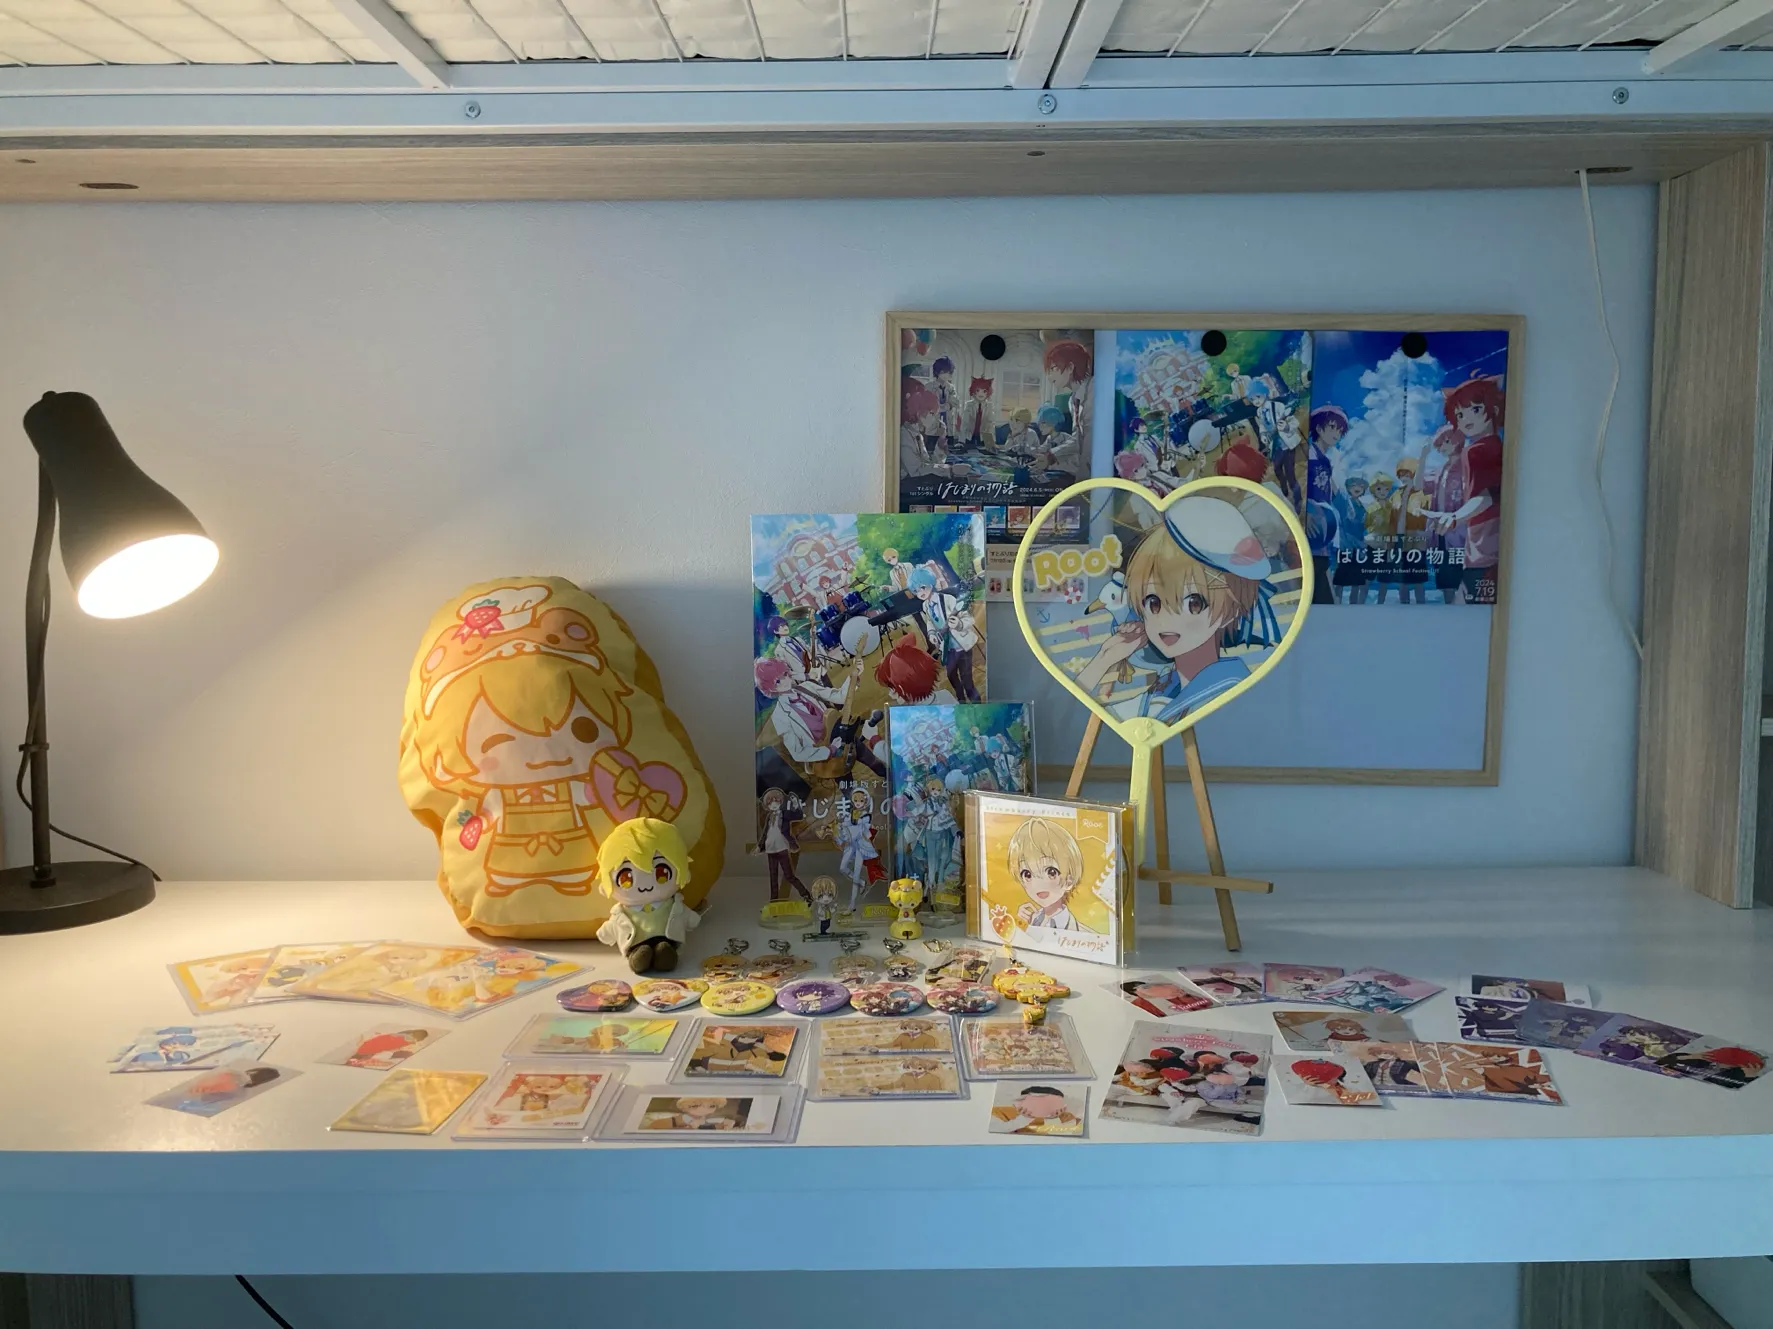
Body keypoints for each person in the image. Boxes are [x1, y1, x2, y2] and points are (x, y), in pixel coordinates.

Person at [1073, 494, 1280, 723]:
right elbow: (1093, 719)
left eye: (1194, 603)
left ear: (1231, 611)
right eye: (1153, 602)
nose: (1166, 619)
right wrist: (1104, 658)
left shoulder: (1227, 691)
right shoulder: (1165, 689)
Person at [1424, 376, 1504, 604]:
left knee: (1467, 602)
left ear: (1494, 409)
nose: (1466, 419)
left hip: (1483, 547)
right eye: (1459, 415)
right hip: (1488, 544)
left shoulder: (1476, 451)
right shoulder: (1497, 447)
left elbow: (1485, 496)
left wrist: (1455, 517)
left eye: (1475, 409)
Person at [594, 817, 700, 974]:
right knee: (641, 953)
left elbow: (685, 915)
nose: (645, 886)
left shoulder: (673, 905)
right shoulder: (621, 912)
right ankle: (639, 956)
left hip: (668, 939)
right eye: (626, 878)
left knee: (664, 949)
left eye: (661, 873)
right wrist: (605, 933)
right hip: (635, 943)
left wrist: (692, 919)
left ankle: (664, 954)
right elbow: (613, 926)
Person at [997, 816, 1108, 935]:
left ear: (1069, 881)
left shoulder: (1088, 936)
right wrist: (1020, 926)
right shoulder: (1029, 922)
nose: (1038, 884)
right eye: (1027, 874)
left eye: (1051, 872)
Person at [908, 567, 980, 703]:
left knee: (967, 680)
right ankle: (961, 703)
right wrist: (931, 634)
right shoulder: (925, 605)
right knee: (952, 676)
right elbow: (930, 621)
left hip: (961, 646)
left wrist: (959, 624)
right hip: (947, 648)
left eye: (923, 587)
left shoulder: (948, 600)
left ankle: (977, 705)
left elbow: (969, 619)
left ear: (931, 583)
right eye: (916, 591)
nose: (921, 593)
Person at [759, 788, 811, 904]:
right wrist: (759, 846)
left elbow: (798, 815)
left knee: (789, 876)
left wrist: (795, 803)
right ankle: (774, 901)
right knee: (773, 877)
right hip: (770, 849)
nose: (773, 805)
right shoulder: (769, 817)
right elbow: (765, 833)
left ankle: (806, 895)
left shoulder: (784, 814)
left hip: (782, 848)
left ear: (780, 802)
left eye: (776, 801)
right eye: (770, 803)